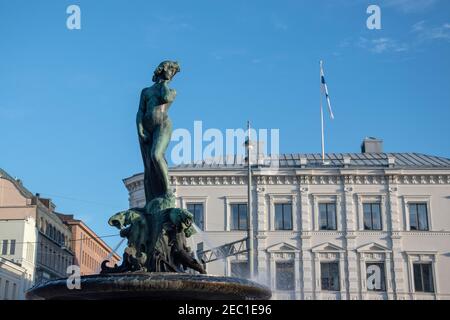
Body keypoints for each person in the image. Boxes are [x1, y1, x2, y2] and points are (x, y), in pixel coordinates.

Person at [136, 61, 180, 203]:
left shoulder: (170, 91)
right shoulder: (146, 91)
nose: (172, 74)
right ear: (163, 70)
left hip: (163, 125)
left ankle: (167, 189)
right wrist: (140, 129)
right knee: (149, 166)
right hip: (148, 129)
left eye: (174, 72)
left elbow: (166, 98)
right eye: (171, 70)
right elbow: (140, 112)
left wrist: (164, 84)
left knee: (156, 155)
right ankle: (153, 196)